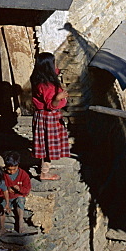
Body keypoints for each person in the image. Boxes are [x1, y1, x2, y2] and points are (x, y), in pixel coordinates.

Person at [30, 51, 70, 181]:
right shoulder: (47, 86)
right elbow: (50, 105)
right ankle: (44, 172)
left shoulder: (38, 78)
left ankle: (45, 169)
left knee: (45, 143)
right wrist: (58, 97)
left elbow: (55, 72)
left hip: (42, 116)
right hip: (49, 117)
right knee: (47, 146)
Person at [0, 150, 32, 234]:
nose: (11, 172)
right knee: (1, 205)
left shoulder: (23, 175)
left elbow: (27, 189)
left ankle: (20, 224)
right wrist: (6, 189)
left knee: (20, 200)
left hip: (18, 196)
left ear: (18, 165)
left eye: (14, 169)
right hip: (6, 197)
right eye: (9, 170)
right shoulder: (2, 175)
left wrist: (20, 189)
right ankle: (1, 227)